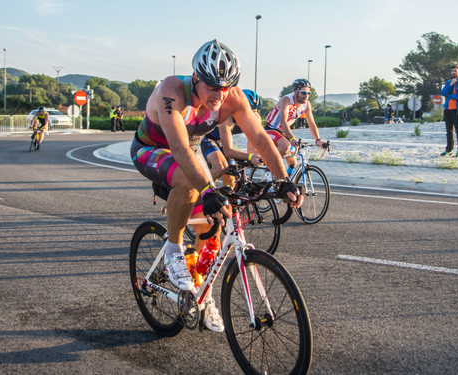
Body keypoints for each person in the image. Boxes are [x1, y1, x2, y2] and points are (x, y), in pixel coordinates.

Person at [129, 40, 301, 332]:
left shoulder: (232, 97)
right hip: (153, 149)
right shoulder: (171, 92)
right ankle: (173, 250)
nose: (219, 96)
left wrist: (283, 179)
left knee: (214, 227)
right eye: (211, 87)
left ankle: (202, 296)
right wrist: (208, 191)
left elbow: (259, 137)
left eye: (225, 88)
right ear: (196, 78)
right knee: (190, 181)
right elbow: (181, 150)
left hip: (188, 151)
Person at [260, 78, 328, 175]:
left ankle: (285, 184)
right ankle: (269, 172)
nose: (306, 96)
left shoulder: (306, 105)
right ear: (295, 91)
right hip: (270, 129)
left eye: (308, 93)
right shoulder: (286, 100)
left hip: (283, 131)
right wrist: (291, 138)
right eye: (303, 92)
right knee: (285, 146)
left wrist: (318, 140)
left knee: (293, 163)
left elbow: (311, 123)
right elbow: (283, 121)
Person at [201, 89, 265, 187]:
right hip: (206, 137)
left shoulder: (256, 118)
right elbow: (228, 151)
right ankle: (196, 188)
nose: (250, 115)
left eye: (254, 111)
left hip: (221, 140)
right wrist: (250, 157)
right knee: (221, 167)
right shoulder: (227, 119)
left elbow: (252, 148)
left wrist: (259, 158)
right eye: (247, 111)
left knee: (230, 181)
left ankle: (227, 200)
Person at [440, 64, 458, 157]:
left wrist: (450, 95)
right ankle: (449, 149)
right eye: (452, 71)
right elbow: (443, 93)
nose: (453, 73)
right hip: (448, 109)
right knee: (449, 131)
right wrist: (450, 85)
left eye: (455, 71)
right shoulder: (449, 82)